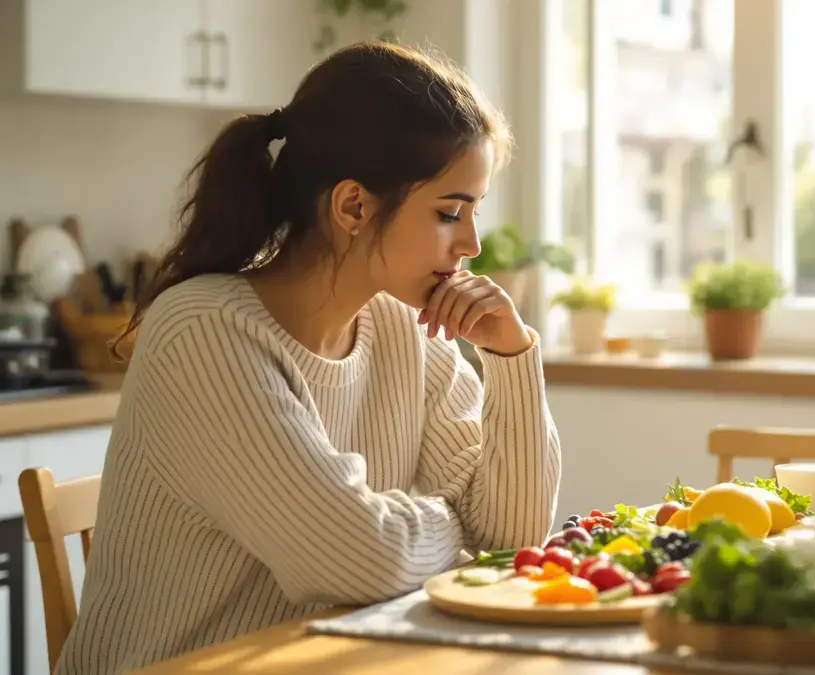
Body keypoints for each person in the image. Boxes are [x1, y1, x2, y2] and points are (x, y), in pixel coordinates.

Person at [54, 42, 562, 674]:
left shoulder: (403, 328)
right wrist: (453, 526)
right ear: (353, 205)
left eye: (474, 212)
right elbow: (357, 557)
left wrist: (511, 356)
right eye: (449, 212)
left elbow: (512, 540)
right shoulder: (203, 333)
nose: (472, 244)